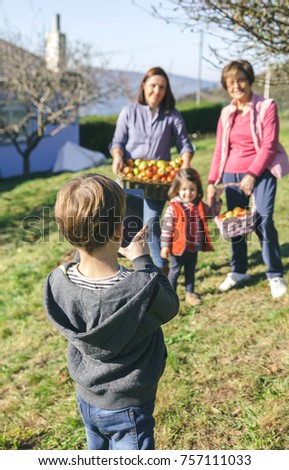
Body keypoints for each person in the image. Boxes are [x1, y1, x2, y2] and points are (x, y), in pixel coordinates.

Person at [43, 173, 179, 450]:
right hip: (129, 407)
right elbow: (170, 304)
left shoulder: (56, 282)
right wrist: (142, 259)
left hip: (87, 397)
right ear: (121, 230)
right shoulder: (141, 288)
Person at [207, 60, 289, 299]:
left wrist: (252, 175)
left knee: (263, 219)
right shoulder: (226, 113)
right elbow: (219, 150)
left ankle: (274, 273)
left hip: (261, 173)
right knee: (235, 226)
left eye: (241, 79)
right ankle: (239, 270)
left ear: (250, 80)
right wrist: (212, 182)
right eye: (231, 82)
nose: (236, 85)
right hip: (231, 174)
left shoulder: (266, 106)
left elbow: (269, 144)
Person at [110, 66, 194, 272]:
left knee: (150, 221)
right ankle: (133, 269)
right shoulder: (129, 112)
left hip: (158, 180)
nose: (157, 91)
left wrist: (185, 164)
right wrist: (118, 156)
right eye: (153, 85)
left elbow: (184, 145)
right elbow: (117, 142)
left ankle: (159, 267)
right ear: (144, 86)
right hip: (132, 175)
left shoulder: (171, 115)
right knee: (130, 225)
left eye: (162, 87)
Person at [160, 169, 222, 306]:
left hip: (193, 247)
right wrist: (165, 246)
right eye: (184, 189)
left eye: (192, 189)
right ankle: (171, 296)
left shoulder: (198, 205)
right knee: (174, 272)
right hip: (178, 248)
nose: (188, 193)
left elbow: (211, 214)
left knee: (190, 271)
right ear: (177, 189)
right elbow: (166, 228)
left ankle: (190, 294)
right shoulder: (173, 207)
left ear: (197, 190)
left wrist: (216, 200)